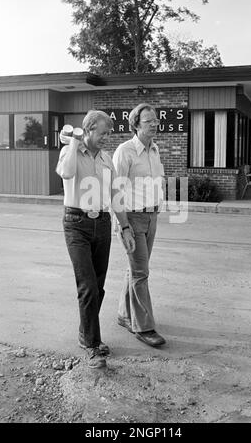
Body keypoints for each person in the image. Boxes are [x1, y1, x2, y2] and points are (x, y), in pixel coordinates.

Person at [56, 110, 135, 369]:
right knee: (88, 285)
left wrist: (125, 228)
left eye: (109, 133)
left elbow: (115, 195)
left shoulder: (106, 158)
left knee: (98, 287)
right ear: (88, 129)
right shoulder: (70, 152)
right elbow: (66, 174)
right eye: (102, 133)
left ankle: (84, 333)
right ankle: (92, 346)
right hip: (76, 223)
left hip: (101, 223)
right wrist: (74, 141)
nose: (106, 137)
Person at [112, 103, 166, 347]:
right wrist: (122, 226)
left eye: (155, 120)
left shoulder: (154, 149)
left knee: (135, 269)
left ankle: (125, 314)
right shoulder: (125, 152)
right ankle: (144, 328)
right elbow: (115, 191)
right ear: (135, 124)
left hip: (151, 217)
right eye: (148, 121)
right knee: (141, 273)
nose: (154, 124)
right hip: (132, 219)